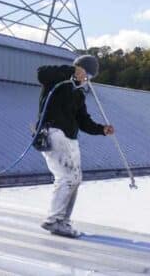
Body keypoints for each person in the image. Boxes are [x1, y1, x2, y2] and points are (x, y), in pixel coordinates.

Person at [36, 55, 114, 237]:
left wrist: (101, 129)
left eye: (90, 78)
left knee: (76, 178)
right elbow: (41, 73)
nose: (87, 80)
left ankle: (62, 220)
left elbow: (83, 121)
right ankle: (54, 220)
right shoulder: (58, 80)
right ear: (80, 70)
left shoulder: (78, 94)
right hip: (53, 132)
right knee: (67, 177)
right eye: (86, 75)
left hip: (70, 137)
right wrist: (71, 70)